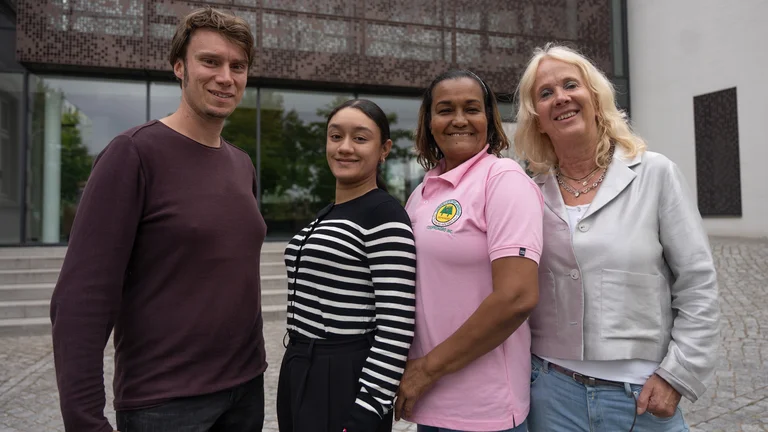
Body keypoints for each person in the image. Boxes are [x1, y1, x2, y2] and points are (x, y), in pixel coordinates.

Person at [50, 7, 267, 432]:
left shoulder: (242, 164)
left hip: (245, 391)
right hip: (165, 404)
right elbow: (80, 297)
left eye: (237, 66)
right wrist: (85, 420)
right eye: (210, 61)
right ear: (179, 68)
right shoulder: (133, 153)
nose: (226, 76)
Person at [514, 43, 720, 432]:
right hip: (552, 398)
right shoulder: (528, 192)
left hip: (641, 398)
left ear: (594, 98)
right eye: (545, 93)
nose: (560, 98)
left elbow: (697, 283)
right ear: (538, 119)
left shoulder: (654, 174)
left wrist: (678, 375)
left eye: (570, 85)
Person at [395, 70, 544, 431]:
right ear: (429, 123)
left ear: (490, 122)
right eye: (445, 110)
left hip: (485, 410)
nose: (459, 120)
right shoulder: (422, 193)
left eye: (471, 109)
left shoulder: (503, 179)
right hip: (431, 402)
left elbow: (517, 297)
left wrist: (426, 370)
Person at [277, 99, 417, 432]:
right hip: (300, 366)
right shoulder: (328, 212)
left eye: (360, 138)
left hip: (342, 374)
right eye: (335, 136)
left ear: (384, 149)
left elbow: (396, 326)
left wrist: (368, 410)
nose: (345, 147)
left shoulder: (384, 215)